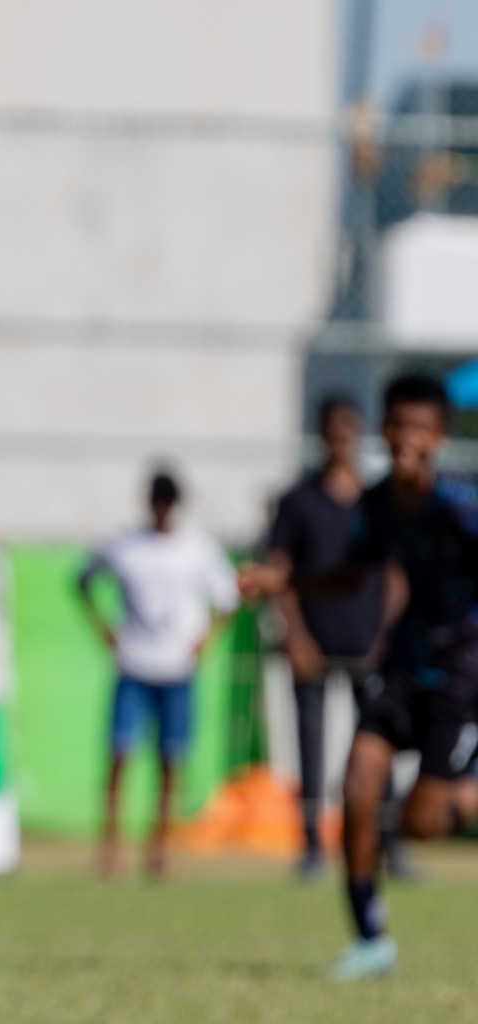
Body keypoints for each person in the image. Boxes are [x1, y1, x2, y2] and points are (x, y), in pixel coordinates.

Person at [241, 374, 478, 980]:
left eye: (421, 429)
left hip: (459, 673)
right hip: (401, 667)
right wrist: (281, 582)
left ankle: (464, 789)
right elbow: (351, 574)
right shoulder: (374, 503)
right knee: (358, 789)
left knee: (424, 824)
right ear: (385, 429)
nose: (406, 438)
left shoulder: (456, 508)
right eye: (398, 425)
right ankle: (371, 938)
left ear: (439, 439)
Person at [264, 398, 402, 879]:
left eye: (351, 430)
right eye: (334, 431)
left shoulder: (377, 503)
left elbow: (394, 576)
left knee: (377, 747)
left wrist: (389, 637)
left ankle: (389, 847)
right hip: (315, 646)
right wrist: (294, 635)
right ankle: (311, 847)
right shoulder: (298, 500)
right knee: (312, 747)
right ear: (321, 435)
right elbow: (279, 574)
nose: (343, 440)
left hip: (370, 648)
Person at [78, 470, 238, 879]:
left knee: (172, 758)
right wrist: (103, 628)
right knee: (121, 754)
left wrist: (205, 641)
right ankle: (112, 845)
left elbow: (227, 599)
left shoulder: (198, 549)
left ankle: (161, 846)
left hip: (177, 669)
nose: (162, 509)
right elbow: (83, 581)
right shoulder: (125, 546)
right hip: (133, 664)